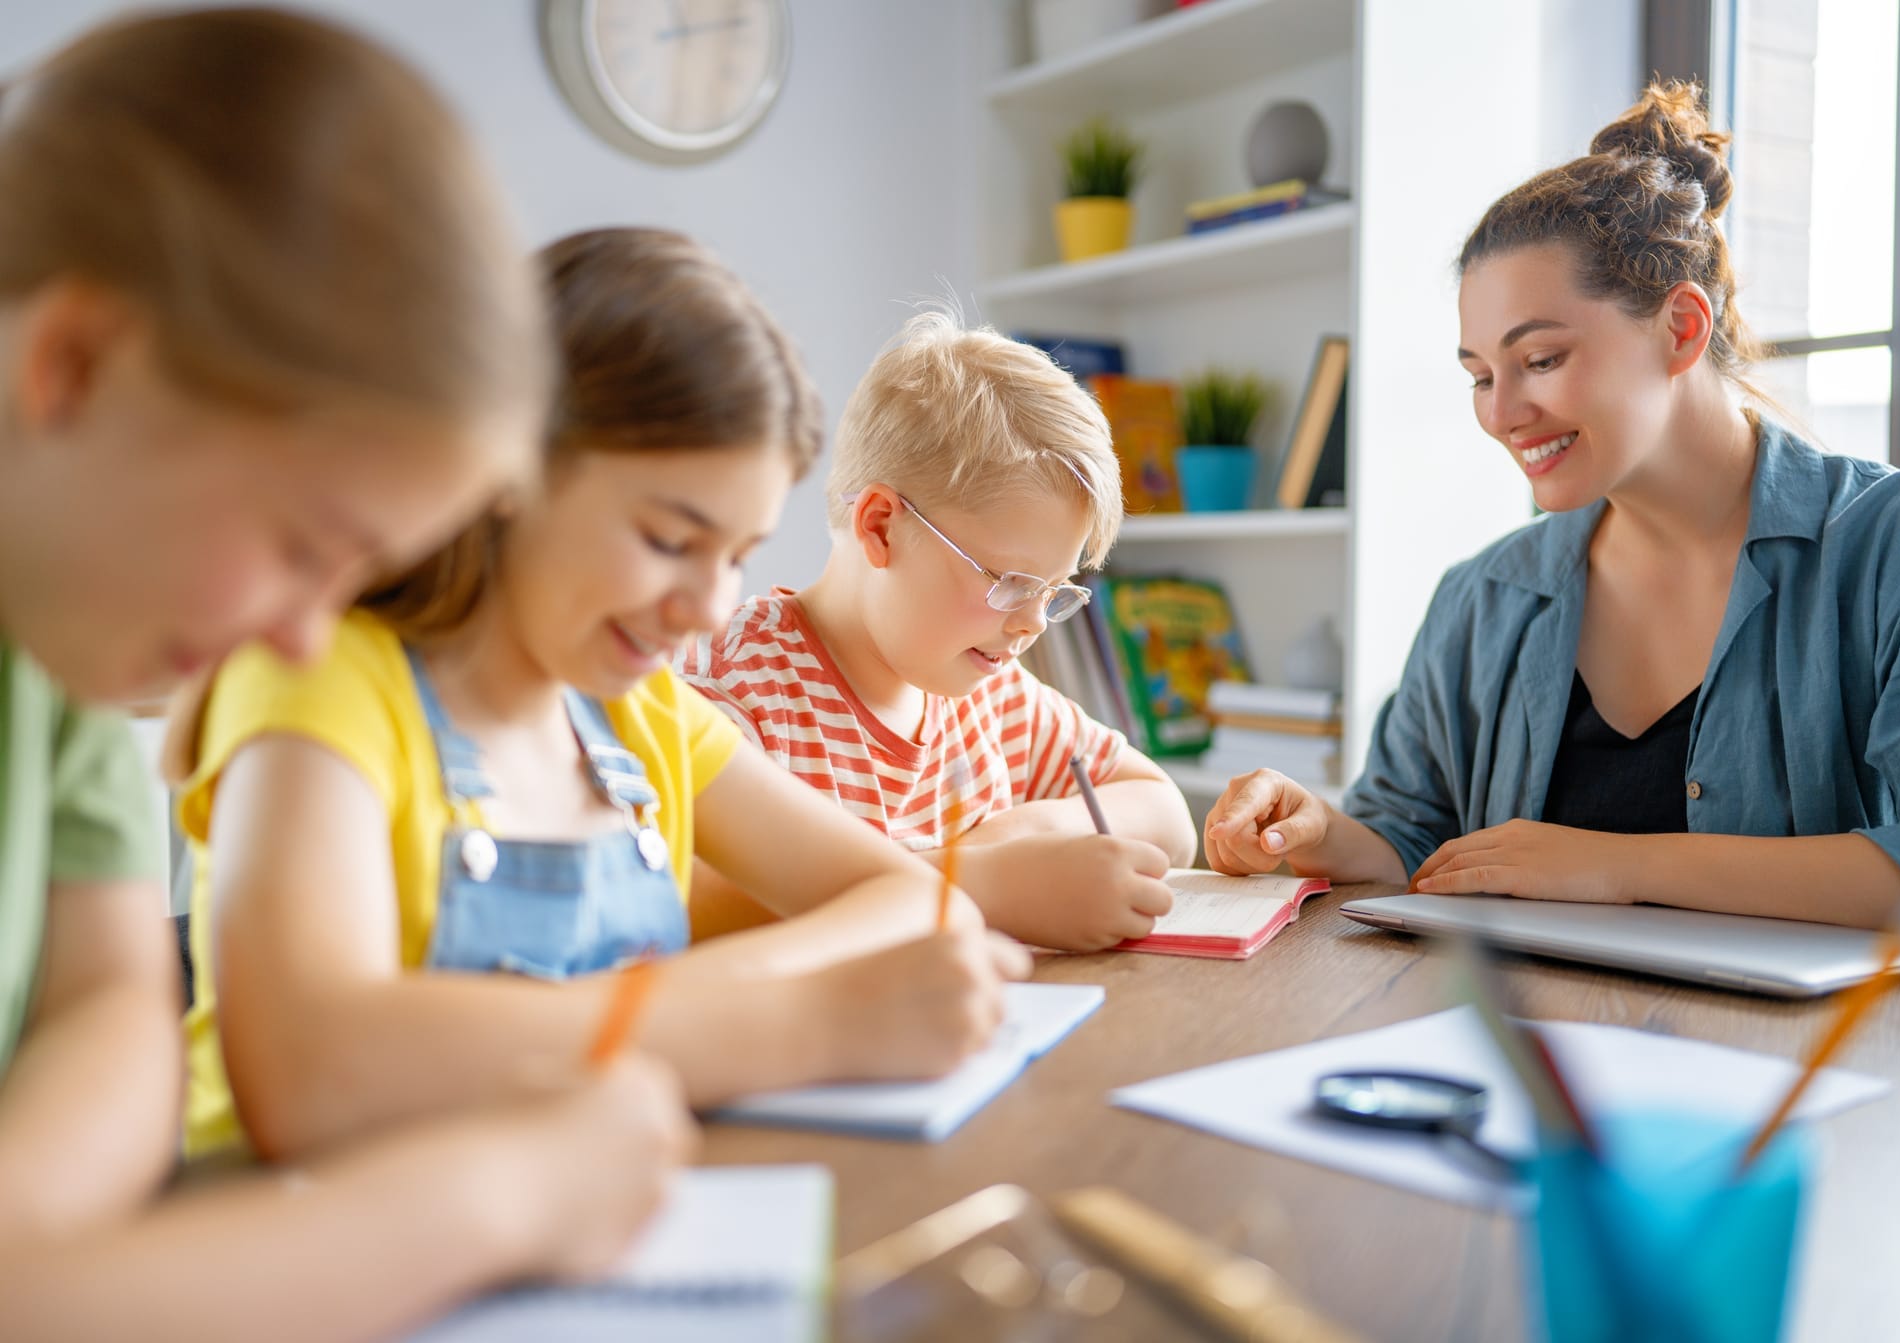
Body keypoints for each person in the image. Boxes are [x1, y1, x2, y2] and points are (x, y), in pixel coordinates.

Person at [0, 10, 690, 1340]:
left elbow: (109, 1004)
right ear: (74, 367)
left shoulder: (63, 628)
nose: (309, 639)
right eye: (305, 546)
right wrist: (492, 1196)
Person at [176, 229, 1027, 1161]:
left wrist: (726, 1006)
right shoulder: (321, 682)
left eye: (738, 556)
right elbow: (312, 1069)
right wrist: (785, 1020)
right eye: (669, 539)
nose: (708, 606)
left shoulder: (641, 711)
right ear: (511, 469)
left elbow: (911, 898)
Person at [1206, 81, 1900, 930]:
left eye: (1539, 359)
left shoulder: (1889, 547)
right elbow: (1414, 842)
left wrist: (1617, 865)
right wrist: (1319, 831)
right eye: (1479, 376)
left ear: (1681, 330)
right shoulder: (1484, 596)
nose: (1502, 413)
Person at [682, 310, 1196, 953]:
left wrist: (1026, 832)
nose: (1033, 622)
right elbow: (695, 904)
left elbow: (1168, 814)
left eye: (1055, 592)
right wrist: (976, 884)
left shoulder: (990, 691)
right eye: (1010, 581)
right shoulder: (737, 683)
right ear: (880, 527)